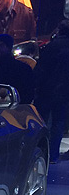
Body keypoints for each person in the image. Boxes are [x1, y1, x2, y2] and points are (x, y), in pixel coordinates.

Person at [34, 20, 69, 163]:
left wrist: (36, 86)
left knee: (41, 121)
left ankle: (41, 152)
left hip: (47, 89)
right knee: (58, 123)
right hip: (64, 92)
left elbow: (41, 69)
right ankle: (53, 155)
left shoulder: (52, 46)